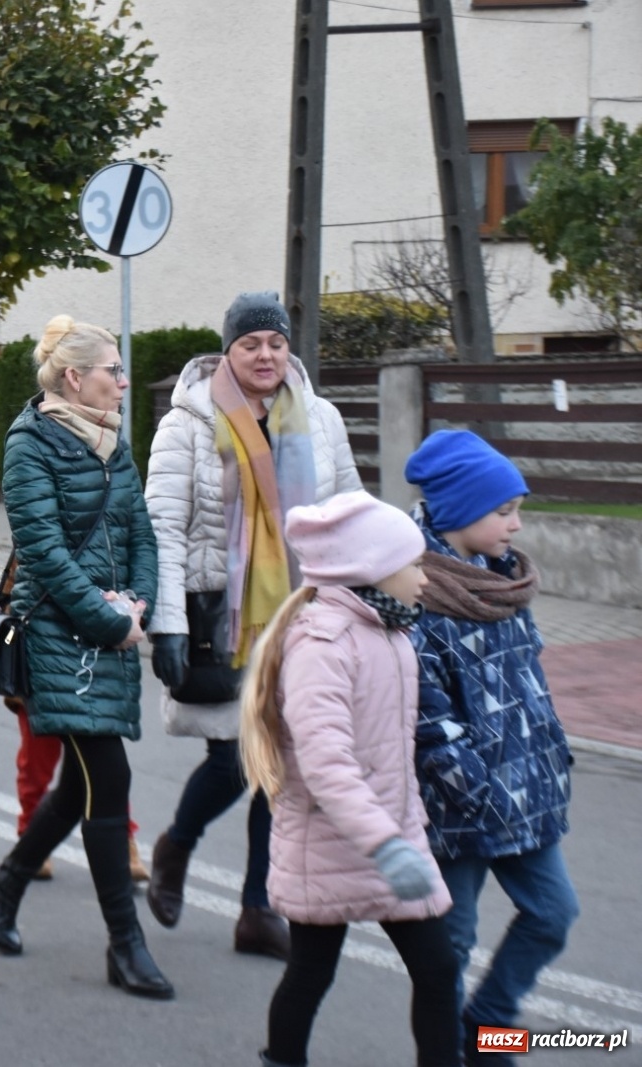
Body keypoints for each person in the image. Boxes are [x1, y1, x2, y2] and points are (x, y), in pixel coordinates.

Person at [142, 290, 361, 962]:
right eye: (250, 344)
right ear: (228, 350)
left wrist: (364, 594)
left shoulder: (319, 418)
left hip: (304, 608)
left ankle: (259, 908)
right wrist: (168, 624)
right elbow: (163, 530)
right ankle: (177, 843)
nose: (265, 355)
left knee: (285, 765)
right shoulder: (188, 423)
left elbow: (350, 502)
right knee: (239, 757)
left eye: (276, 342)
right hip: (223, 614)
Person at [0, 315, 168, 999]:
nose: (123, 377)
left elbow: (141, 528)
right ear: (75, 377)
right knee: (106, 779)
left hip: (110, 629)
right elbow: (44, 554)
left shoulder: (114, 440)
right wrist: (107, 617)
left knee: (82, 784)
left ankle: (7, 882)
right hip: (61, 638)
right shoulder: (29, 442)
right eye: (113, 367)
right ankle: (126, 942)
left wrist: (136, 603)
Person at [239, 490, 458, 1067]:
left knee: (438, 971)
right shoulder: (323, 643)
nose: (423, 579)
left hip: (395, 836)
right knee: (311, 973)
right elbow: (326, 761)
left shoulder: (392, 630)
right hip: (338, 845)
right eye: (413, 565)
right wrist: (384, 843)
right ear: (374, 572)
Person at [404, 431, 578, 1061]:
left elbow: (531, 687)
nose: (516, 525)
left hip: (524, 792)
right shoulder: (420, 595)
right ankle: (449, 1048)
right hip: (463, 805)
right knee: (451, 942)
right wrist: (473, 787)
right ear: (458, 513)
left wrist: (552, 755)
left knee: (554, 914)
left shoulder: (505, 584)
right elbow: (428, 717)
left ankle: (489, 1025)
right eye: (503, 511)